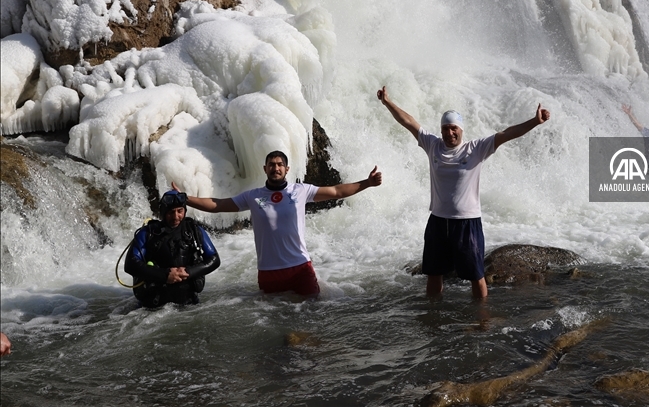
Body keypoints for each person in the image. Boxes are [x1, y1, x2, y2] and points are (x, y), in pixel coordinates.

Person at [377, 85, 550, 299]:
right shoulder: (433, 145)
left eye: (453, 128)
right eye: (445, 129)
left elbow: (507, 134)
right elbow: (409, 122)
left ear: (461, 129)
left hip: (467, 223)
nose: (449, 133)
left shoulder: (476, 149)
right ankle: (434, 315)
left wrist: (535, 121)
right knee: (434, 273)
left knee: (476, 275)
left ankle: (482, 319)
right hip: (438, 221)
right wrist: (387, 102)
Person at [173, 151, 382, 297]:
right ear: (265, 168)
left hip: (301, 268)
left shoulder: (301, 191)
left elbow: (336, 191)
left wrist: (367, 183)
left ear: (287, 168)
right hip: (269, 272)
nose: (276, 168)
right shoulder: (253, 197)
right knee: (274, 320)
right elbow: (218, 205)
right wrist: (186, 198)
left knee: (312, 315)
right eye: (272, 165)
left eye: (280, 164)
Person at [124, 189, 221, 308]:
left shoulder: (194, 230)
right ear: (163, 213)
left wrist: (189, 272)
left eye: (180, 211)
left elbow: (214, 259)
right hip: (152, 308)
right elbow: (130, 264)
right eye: (171, 212)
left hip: (189, 304)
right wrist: (165, 275)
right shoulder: (148, 233)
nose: (176, 217)